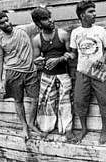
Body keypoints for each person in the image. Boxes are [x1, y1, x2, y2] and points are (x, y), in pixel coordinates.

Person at [0, 10, 43, 141]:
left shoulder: (23, 29)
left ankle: (31, 122)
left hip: (30, 72)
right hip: (13, 73)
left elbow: (38, 22)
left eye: (7, 20)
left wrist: (42, 8)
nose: (7, 24)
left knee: (35, 99)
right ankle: (24, 126)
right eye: (2, 23)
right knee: (18, 101)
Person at [70, 0, 106, 144]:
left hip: (98, 71)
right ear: (82, 15)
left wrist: (103, 57)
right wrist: (66, 57)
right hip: (82, 72)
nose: (94, 14)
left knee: (105, 101)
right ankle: (83, 129)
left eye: (94, 11)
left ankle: (104, 131)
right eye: (91, 12)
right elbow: (74, 54)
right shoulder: (75, 33)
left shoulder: (100, 30)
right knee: (79, 101)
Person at [31, 7, 74, 141]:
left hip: (63, 74)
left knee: (65, 102)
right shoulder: (37, 39)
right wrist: (38, 62)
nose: (50, 20)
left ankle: (67, 130)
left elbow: (72, 54)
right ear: (38, 24)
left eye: (50, 17)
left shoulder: (62, 34)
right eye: (45, 19)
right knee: (47, 103)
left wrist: (60, 59)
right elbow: (35, 61)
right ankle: (46, 128)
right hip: (46, 76)